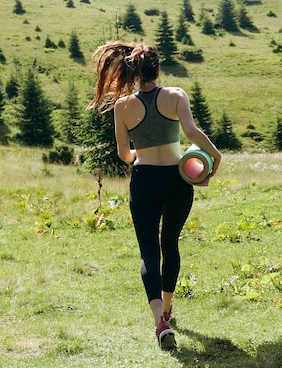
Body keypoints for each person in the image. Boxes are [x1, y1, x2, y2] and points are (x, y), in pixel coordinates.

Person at [88, 41, 221, 349]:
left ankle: (160, 320)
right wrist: (216, 156)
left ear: (132, 72)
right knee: (170, 244)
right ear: (157, 69)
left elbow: (124, 153)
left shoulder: (121, 106)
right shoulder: (176, 96)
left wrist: (141, 155)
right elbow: (191, 132)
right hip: (176, 181)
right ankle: (169, 305)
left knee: (149, 252)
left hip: (144, 181)